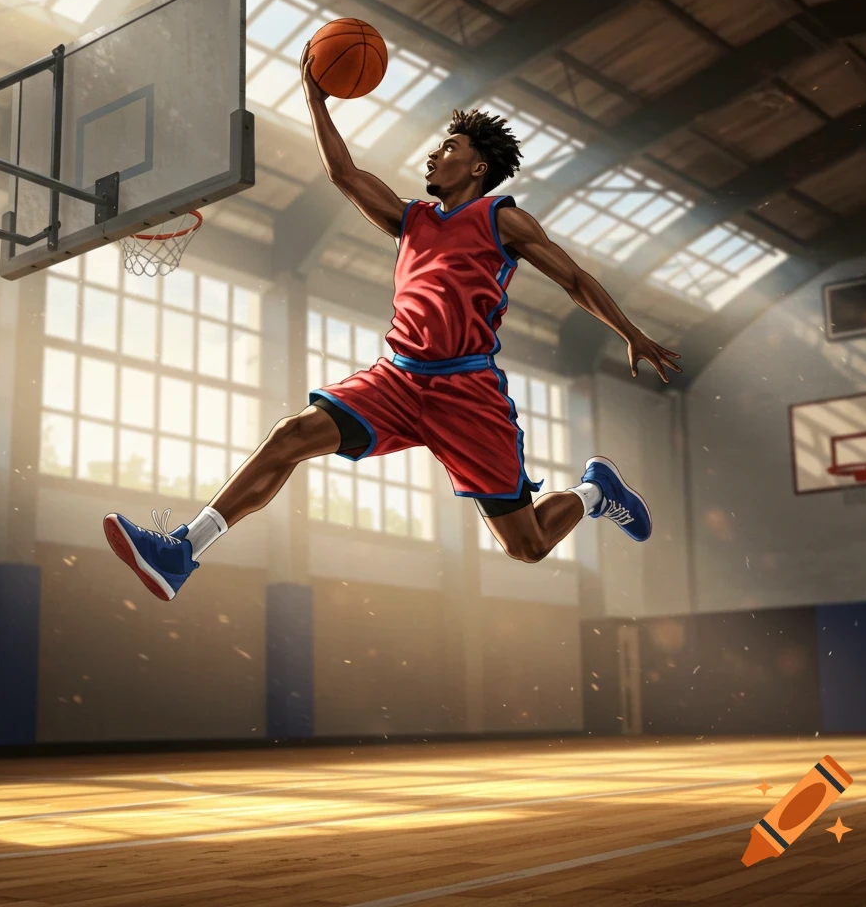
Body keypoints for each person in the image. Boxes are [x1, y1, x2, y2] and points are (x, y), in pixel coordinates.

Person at [103, 44, 681, 601]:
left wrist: (631, 333)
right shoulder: (413, 220)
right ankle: (181, 552)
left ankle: (593, 491)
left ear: (477, 166)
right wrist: (316, 96)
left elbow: (575, 279)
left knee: (526, 547)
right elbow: (344, 174)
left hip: (467, 392)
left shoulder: (502, 219)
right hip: (398, 378)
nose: (434, 155)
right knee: (290, 436)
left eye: (448, 147)